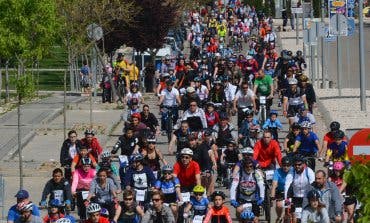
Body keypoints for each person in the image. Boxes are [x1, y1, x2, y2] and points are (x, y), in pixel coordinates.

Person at [230, 158, 265, 222]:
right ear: (243, 167)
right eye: (247, 166)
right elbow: (233, 186)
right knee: (238, 211)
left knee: (255, 220)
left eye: (251, 166)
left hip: (254, 200)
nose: (249, 168)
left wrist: (262, 197)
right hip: (242, 199)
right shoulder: (239, 174)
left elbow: (261, 185)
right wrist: (232, 199)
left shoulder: (256, 173)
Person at [284, 155, 315, 223]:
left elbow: (313, 187)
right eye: (295, 165)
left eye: (299, 164)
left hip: (306, 198)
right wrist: (287, 203)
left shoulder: (309, 171)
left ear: (304, 164)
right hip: (295, 198)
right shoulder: (291, 172)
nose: (297, 166)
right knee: (295, 219)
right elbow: (287, 186)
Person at [271, 156, 292, 222]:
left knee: (290, 208)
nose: (286, 167)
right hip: (281, 192)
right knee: (279, 205)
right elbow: (274, 185)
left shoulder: (293, 171)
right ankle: (279, 216)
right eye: (284, 165)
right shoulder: (277, 171)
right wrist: (272, 197)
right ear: (281, 165)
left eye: (288, 165)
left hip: (290, 192)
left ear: (290, 166)